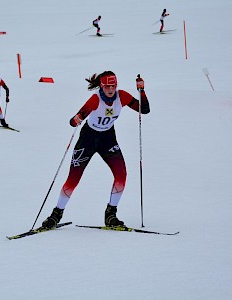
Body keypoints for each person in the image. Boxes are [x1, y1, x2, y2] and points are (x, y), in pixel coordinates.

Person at [41, 71, 150, 229]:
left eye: (113, 86)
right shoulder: (95, 100)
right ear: (101, 86)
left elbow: (144, 110)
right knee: (73, 179)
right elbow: (75, 120)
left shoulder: (123, 97)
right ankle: (56, 215)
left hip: (107, 139)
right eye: (107, 87)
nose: (111, 90)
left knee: (121, 175)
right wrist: (75, 120)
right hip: (88, 139)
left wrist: (142, 91)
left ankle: (110, 214)